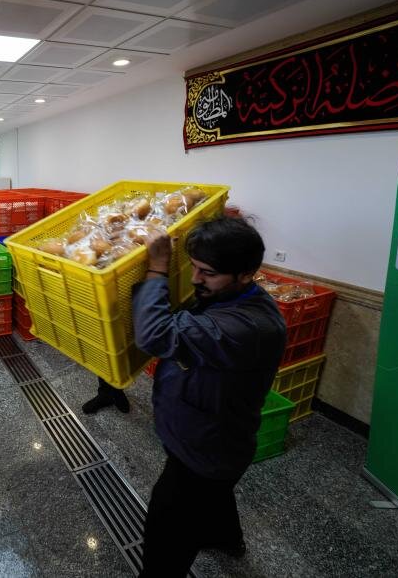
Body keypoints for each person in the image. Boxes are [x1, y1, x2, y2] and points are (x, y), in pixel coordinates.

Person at [133, 217, 286, 576]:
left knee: (166, 538)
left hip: (204, 450)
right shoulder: (231, 296)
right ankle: (227, 539)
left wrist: (158, 267)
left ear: (246, 274)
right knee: (216, 494)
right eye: (194, 267)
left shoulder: (246, 327)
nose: (195, 279)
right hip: (210, 437)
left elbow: (154, 335)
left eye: (208, 273)